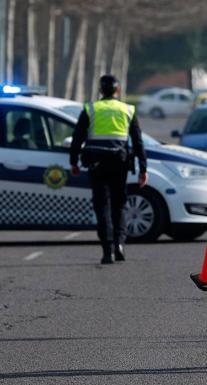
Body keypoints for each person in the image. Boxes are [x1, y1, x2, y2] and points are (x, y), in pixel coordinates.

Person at [69, 75, 148, 264]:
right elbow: (138, 142)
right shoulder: (127, 110)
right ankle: (119, 245)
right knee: (119, 205)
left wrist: (73, 161)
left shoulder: (91, 109)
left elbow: (77, 137)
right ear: (117, 90)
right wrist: (142, 169)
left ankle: (107, 250)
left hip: (97, 165)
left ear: (100, 91)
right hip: (119, 163)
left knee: (102, 206)